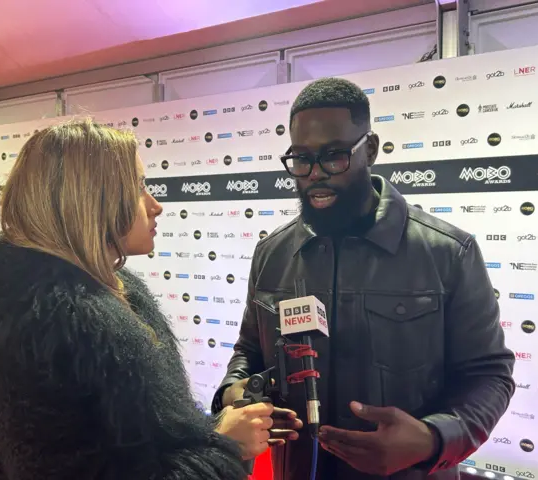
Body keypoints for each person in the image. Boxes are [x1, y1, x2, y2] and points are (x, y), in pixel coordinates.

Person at [212, 77, 516, 480]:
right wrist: (235, 394)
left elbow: (489, 375)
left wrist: (431, 439)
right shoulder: (273, 253)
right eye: (301, 159)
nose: (315, 175)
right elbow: (249, 350)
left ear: (369, 149)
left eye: (334, 156)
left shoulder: (447, 252)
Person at [0, 120, 277, 480]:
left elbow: (151, 440)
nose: (156, 205)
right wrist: (224, 445)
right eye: (138, 187)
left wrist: (218, 426)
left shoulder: (106, 300)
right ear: (93, 201)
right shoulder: (39, 335)